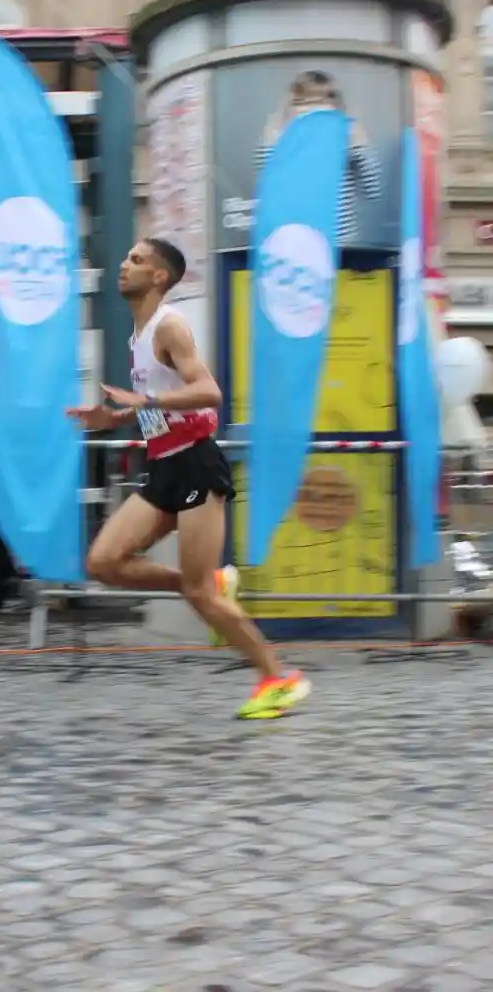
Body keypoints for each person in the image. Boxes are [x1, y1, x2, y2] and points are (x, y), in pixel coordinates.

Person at [67, 237, 310, 720]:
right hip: (164, 466)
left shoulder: (169, 326)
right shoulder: (138, 336)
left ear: (159, 276)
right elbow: (161, 404)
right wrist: (116, 418)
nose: (124, 264)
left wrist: (146, 402)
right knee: (104, 563)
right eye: (126, 256)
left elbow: (209, 391)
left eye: (136, 259)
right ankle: (211, 582)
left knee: (200, 595)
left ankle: (277, 678)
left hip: (197, 463)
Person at [258, 70, 381, 246]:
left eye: (322, 101)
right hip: (292, 244)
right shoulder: (279, 135)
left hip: (340, 247)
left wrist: (358, 143)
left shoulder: (346, 134)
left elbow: (373, 191)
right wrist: (275, 138)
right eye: (305, 102)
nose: (313, 111)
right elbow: (266, 193)